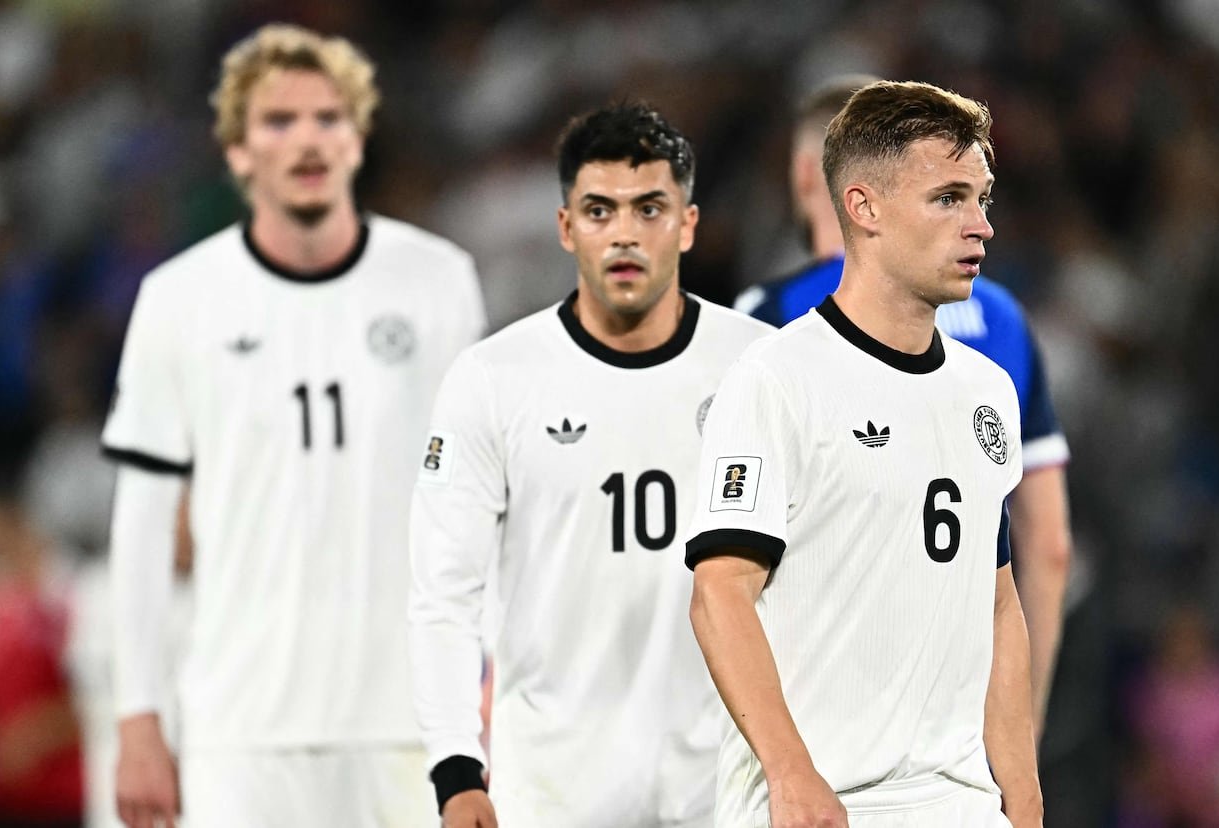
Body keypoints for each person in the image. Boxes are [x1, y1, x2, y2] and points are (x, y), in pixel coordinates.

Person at [102, 24, 485, 828]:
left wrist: (490, 671)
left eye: (327, 118)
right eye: (279, 121)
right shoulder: (179, 298)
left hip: (409, 721)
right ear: (238, 152)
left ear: (357, 139)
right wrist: (137, 715)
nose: (307, 139)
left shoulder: (438, 281)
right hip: (240, 730)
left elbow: (479, 497)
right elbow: (141, 524)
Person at [686, 81, 1043, 827]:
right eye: (948, 198)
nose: (980, 225)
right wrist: (791, 774)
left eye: (982, 199)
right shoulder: (775, 379)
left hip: (957, 806)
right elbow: (721, 594)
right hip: (820, 805)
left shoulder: (987, 391)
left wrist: (1024, 793)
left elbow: (998, 603)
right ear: (864, 207)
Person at [408, 102, 772, 828]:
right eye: (600, 211)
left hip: (724, 794)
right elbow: (443, 593)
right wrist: (455, 769)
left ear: (688, 224)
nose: (625, 234)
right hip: (552, 798)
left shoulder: (760, 368)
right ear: (566, 226)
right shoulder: (494, 379)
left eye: (649, 209)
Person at [736, 75, 1073, 734]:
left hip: (824, 713)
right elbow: (1048, 544)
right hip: (963, 716)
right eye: (949, 196)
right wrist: (1020, 730)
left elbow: (721, 556)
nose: (977, 223)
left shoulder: (769, 319)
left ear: (807, 176)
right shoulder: (1004, 320)